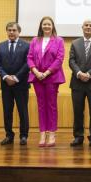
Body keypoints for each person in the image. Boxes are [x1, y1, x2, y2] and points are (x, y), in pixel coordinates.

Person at [27, 16, 66, 147]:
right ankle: (42, 133)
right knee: (41, 106)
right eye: (44, 24)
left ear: (52, 26)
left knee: (51, 106)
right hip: (37, 77)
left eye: (49, 24)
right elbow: (30, 57)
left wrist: (47, 72)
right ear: (41, 26)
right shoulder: (34, 40)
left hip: (52, 77)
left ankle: (52, 133)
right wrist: (36, 72)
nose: (47, 26)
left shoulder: (59, 40)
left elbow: (59, 59)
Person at [0, 22, 30, 146]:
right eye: (9, 30)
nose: (11, 32)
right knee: (7, 111)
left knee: (22, 111)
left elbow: (27, 64)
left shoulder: (26, 45)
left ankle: (24, 136)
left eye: (14, 30)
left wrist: (15, 77)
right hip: (6, 84)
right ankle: (9, 135)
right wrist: (5, 76)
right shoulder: (0, 46)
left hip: (21, 84)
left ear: (19, 31)